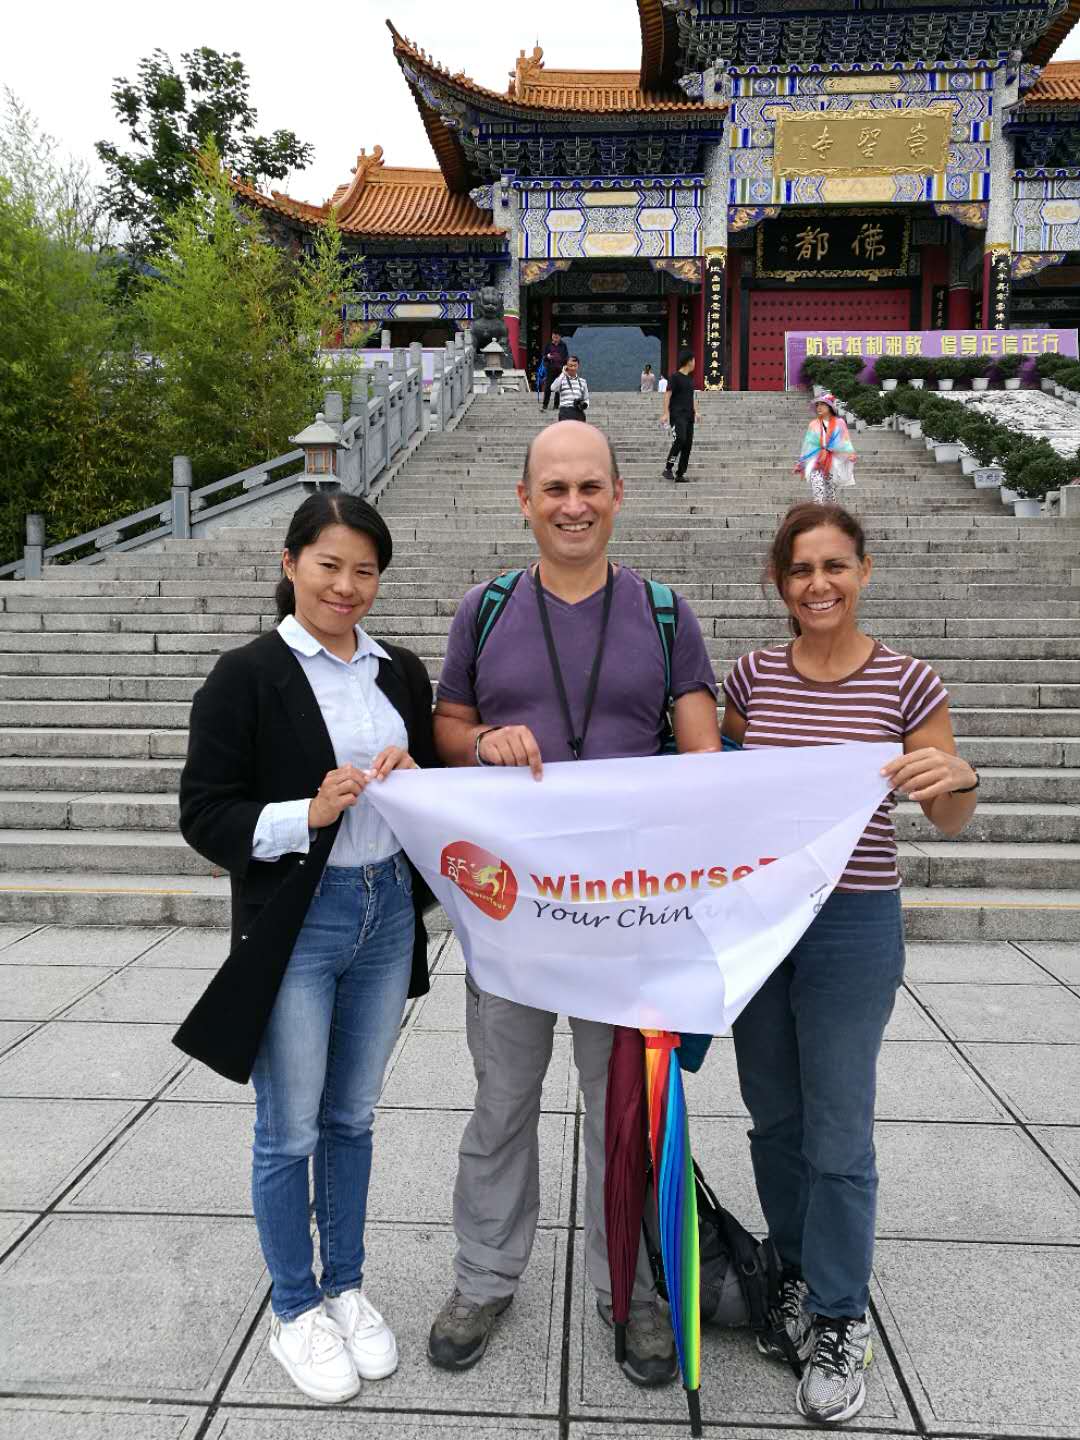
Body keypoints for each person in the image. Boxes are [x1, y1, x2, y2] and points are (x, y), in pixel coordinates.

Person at [427, 419, 722, 1386]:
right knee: (502, 1103)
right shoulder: (487, 605)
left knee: (625, 1112)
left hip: (626, 919)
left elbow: (702, 761)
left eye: (590, 486)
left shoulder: (667, 613)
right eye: (553, 488)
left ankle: (631, 1290)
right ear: (524, 500)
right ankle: (484, 1274)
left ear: (618, 495)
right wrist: (483, 747)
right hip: (514, 914)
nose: (572, 505)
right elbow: (447, 726)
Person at [720, 502, 979, 1426]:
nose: (818, 585)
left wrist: (957, 780)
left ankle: (838, 1313)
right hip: (759, 923)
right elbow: (718, 796)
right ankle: (793, 1270)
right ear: (779, 583)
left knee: (838, 1128)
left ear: (864, 571)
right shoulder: (749, 679)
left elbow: (948, 812)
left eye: (835, 566)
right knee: (773, 1118)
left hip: (852, 924)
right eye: (800, 571)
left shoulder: (908, 684)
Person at [178, 493, 437, 1406]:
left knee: (354, 1117)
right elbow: (204, 814)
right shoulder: (246, 675)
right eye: (329, 564)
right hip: (300, 918)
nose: (347, 585)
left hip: (385, 913)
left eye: (365, 569)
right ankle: (294, 1306)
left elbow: (434, 795)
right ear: (291, 564)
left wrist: (415, 778)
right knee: (289, 1124)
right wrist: (306, 814)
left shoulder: (399, 672)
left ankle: (345, 1287)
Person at [797, 393, 856, 504]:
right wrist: (802, 462)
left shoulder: (839, 423)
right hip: (817, 461)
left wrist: (849, 453)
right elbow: (807, 445)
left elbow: (845, 440)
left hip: (833, 461)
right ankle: (818, 516)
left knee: (830, 494)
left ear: (830, 407)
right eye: (817, 405)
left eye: (822, 404)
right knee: (818, 491)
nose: (819, 407)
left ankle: (829, 517)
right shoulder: (813, 424)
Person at [662, 348, 699, 483]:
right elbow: (668, 394)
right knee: (680, 439)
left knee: (688, 445)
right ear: (689, 361)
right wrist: (666, 413)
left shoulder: (690, 379)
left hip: (689, 416)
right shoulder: (675, 377)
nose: (695, 363)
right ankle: (668, 468)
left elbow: (692, 396)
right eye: (694, 360)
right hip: (678, 415)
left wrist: (697, 411)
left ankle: (680, 473)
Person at [548, 354, 590, 421]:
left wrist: (584, 405)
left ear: (578, 366)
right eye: (570, 365)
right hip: (565, 412)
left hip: (579, 412)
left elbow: (586, 398)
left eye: (575, 366)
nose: (573, 368)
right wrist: (563, 373)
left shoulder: (583, 381)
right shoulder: (561, 380)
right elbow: (552, 388)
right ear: (566, 366)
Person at [540, 330, 569, 410]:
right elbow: (544, 357)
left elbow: (566, 357)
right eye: (554, 335)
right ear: (552, 336)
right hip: (550, 368)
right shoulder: (548, 345)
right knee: (548, 387)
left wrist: (566, 367)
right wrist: (547, 357)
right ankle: (545, 404)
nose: (555, 337)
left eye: (557, 336)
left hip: (560, 369)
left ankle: (556, 405)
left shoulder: (563, 345)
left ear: (560, 337)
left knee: (559, 387)